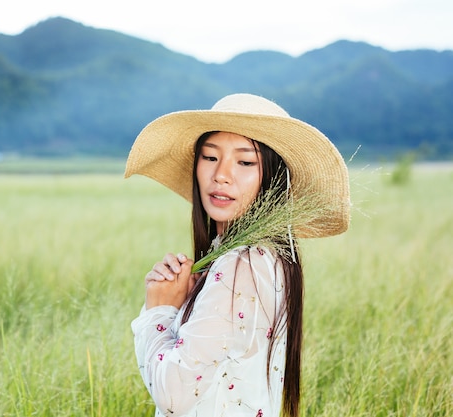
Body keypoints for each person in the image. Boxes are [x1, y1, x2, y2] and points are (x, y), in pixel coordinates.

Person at [124, 93, 350, 417]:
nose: (221, 174)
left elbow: (174, 395)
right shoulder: (267, 257)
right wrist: (187, 304)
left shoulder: (242, 265)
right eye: (210, 157)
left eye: (245, 161)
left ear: (272, 178)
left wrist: (158, 312)